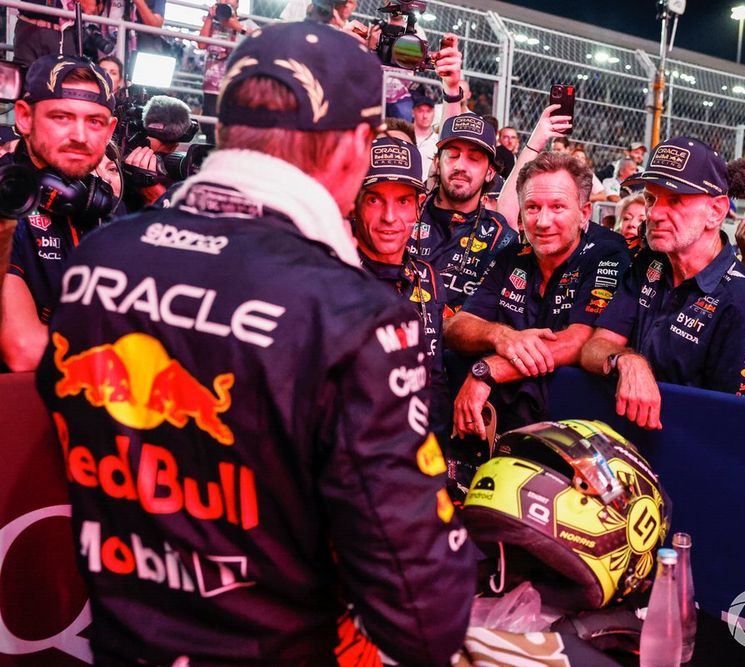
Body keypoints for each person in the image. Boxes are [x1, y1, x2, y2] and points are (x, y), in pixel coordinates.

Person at [34, 23, 474, 664]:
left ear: (228, 128)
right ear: (355, 145)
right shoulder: (354, 316)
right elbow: (424, 615)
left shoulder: (100, 257)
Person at [581, 137, 745, 429]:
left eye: (675, 200)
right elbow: (594, 347)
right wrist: (626, 360)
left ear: (716, 211)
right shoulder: (648, 266)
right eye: (651, 199)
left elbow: (737, 424)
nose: (655, 214)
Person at [444, 151, 631, 438]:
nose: (543, 222)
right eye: (532, 207)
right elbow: (456, 327)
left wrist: (487, 370)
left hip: (577, 433)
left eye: (557, 207)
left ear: (584, 214)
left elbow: (579, 340)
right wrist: (501, 336)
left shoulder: (608, 253)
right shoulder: (511, 256)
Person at [0, 55, 117, 372]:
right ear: (24, 118)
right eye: (62, 117)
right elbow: (23, 347)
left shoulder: (98, 205)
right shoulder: (6, 198)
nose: (80, 135)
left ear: (109, 131)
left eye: (94, 121)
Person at [355, 137, 449, 442]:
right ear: (354, 204)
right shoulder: (332, 277)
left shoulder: (427, 276)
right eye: (374, 199)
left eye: (403, 201)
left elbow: (434, 379)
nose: (389, 217)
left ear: (419, 207)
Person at [408, 112, 517, 313]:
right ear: (436, 163)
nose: (460, 166)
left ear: (490, 173)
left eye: (474, 158)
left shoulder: (501, 238)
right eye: (452, 155)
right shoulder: (404, 215)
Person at [121, 95, 196, 210]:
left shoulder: (179, 184)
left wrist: (157, 196)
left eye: (168, 145)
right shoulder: (116, 162)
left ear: (174, 147)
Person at [198, 0, 256, 144]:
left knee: (232, 124)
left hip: (236, 85)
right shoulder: (212, 22)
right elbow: (201, 44)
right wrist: (210, 18)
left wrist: (238, 27)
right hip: (212, 83)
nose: (224, 1)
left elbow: (264, 39)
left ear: (237, 3)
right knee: (210, 125)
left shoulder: (245, 23)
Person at [12, 0, 97, 66]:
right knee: (24, 75)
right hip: (30, 27)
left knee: (64, 77)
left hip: (63, 32)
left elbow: (89, 8)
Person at [412, 93, 438, 179]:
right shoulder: (403, 136)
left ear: (434, 113)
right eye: (420, 111)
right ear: (413, 113)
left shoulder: (439, 142)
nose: (425, 116)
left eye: (428, 111)